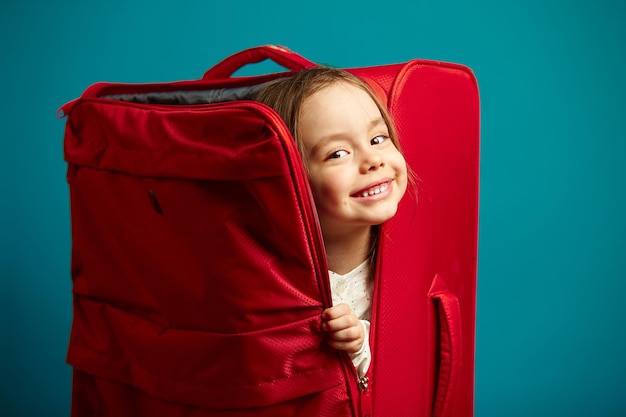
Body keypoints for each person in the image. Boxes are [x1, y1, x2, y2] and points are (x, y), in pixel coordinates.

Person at [255, 67, 409, 379]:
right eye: (337, 153)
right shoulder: (276, 278)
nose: (373, 160)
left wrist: (363, 344)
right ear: (292, 179)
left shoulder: (406, 253)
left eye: (378, 138)